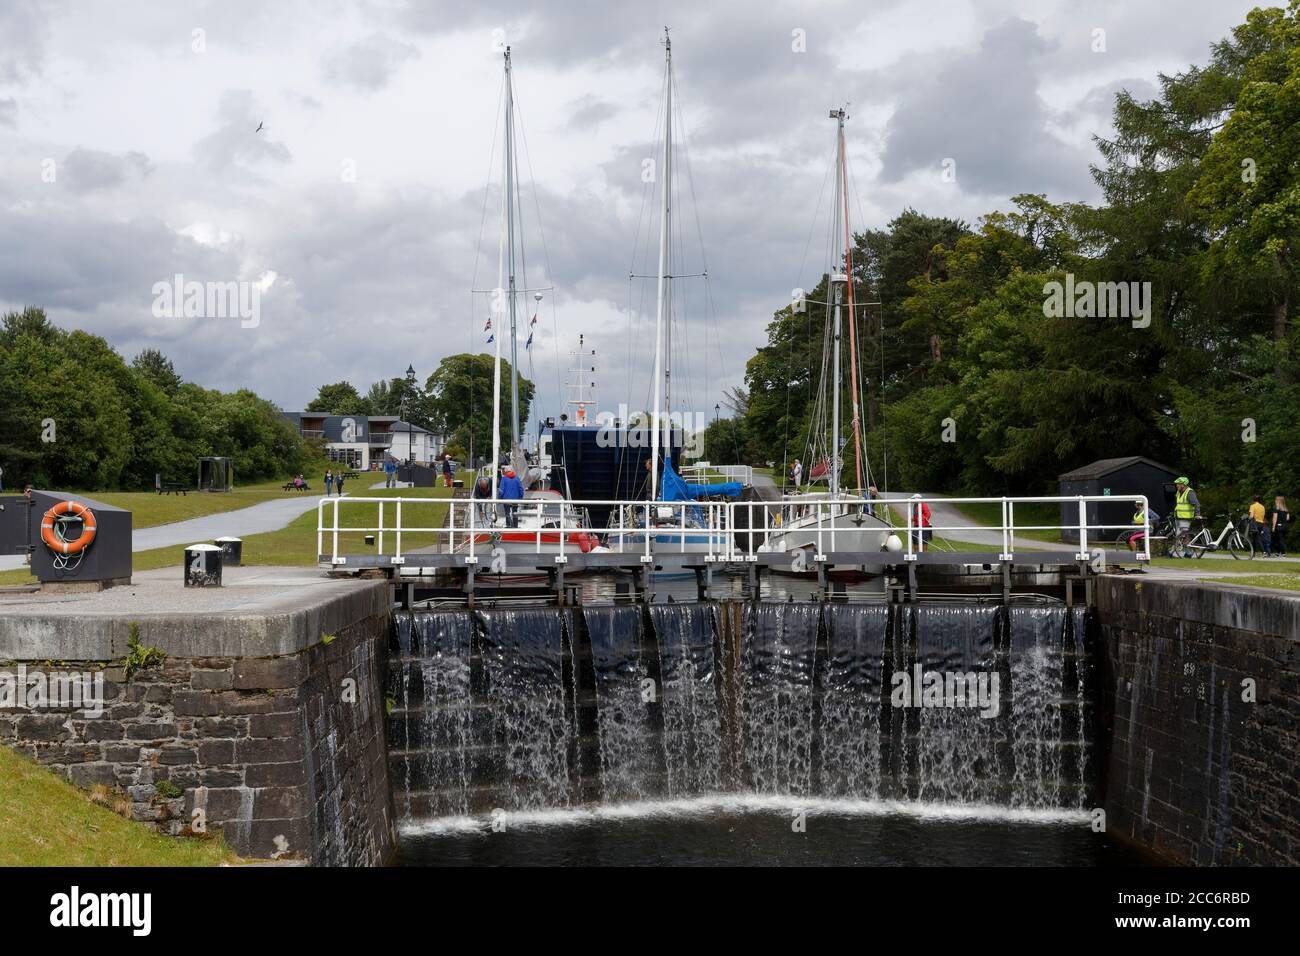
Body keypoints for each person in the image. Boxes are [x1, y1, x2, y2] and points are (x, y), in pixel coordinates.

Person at [1171, 476, 1201, 558]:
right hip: (1178, 517)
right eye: (1176, 484)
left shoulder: (1190, 492)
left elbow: (1196, 504)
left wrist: (1197, 514)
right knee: (1180, 535)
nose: (1176, 486)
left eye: (1178, 484)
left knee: (1182, 535)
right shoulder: (1178, 492)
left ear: (1183, 485)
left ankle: (1175, 552)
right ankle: (1186, 552)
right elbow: (1179, 504)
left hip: (1186, 518)